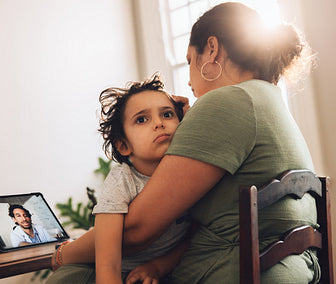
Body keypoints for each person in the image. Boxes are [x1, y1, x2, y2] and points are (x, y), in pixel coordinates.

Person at [50, 2, 319, 283]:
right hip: (290, 264)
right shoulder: (267, 98)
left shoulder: (227, 101)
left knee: (70, 276)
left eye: (190, 59)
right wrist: (189, 124)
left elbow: (136, 231)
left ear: (212, 50)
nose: (189, 82)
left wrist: (61, 255)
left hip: (227, 268)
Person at [47, 74, 190, 284]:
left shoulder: (192, 173)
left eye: (167, 114)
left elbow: (193, 236)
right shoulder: (122, 181)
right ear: (123, 146)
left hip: (158, 272)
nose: (159, 123)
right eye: (142, 119)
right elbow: (108, 266)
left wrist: (156, 267)